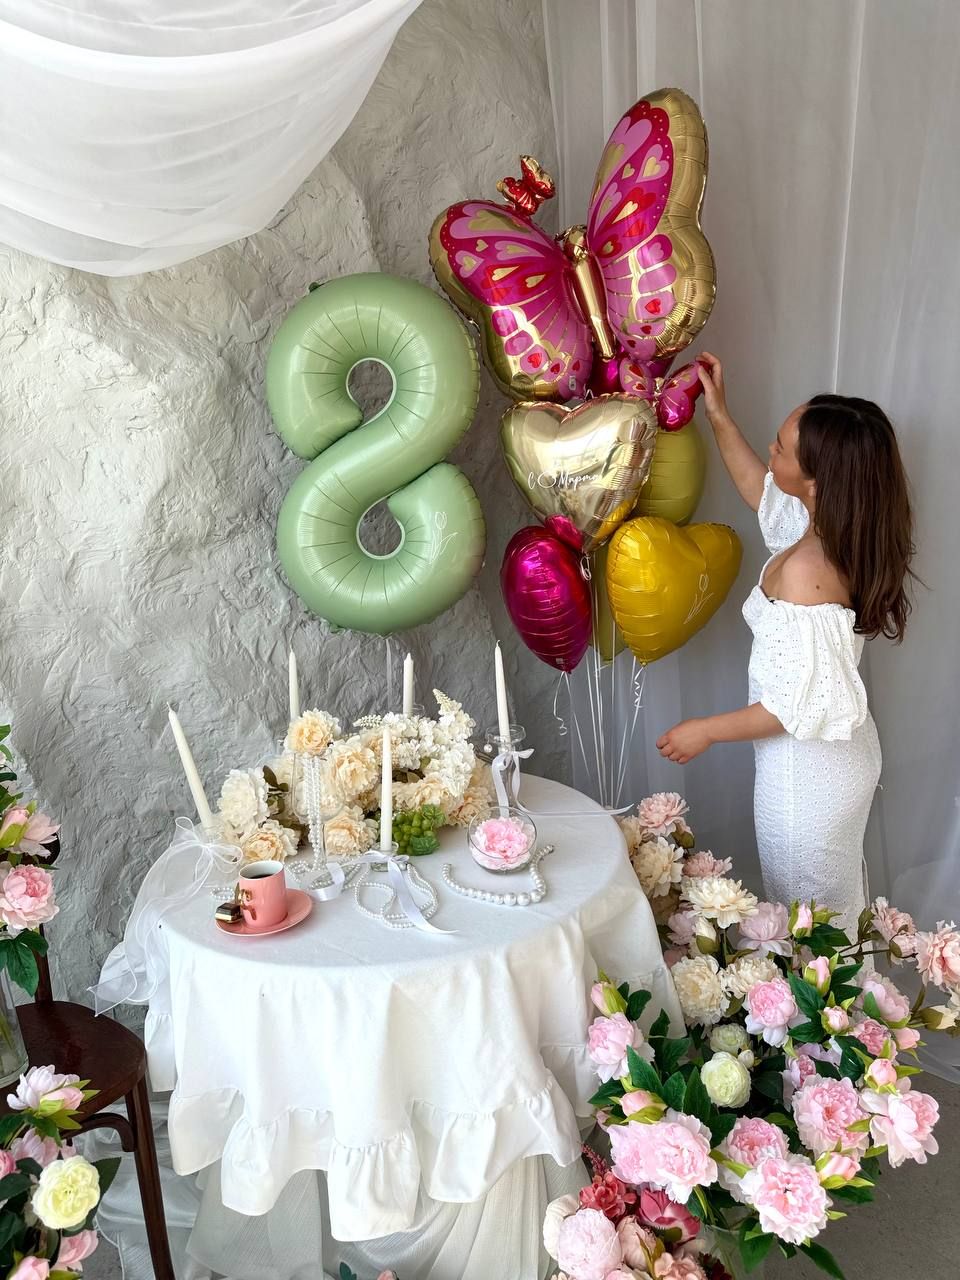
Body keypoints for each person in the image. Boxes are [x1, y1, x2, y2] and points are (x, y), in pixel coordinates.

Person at [656, 353, 916, 926]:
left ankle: (835, 991)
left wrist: (704, 731)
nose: (770, 454)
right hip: (827, 760)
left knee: (810, 928)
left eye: (780, 448)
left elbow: (790, 708)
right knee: (823, 919)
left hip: (809, 774)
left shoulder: (807, 572)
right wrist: (719, 415)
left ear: (816, 483)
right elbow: (762, 491)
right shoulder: (831, 529)